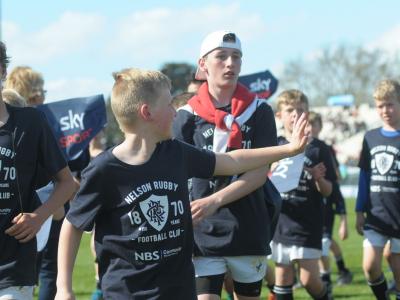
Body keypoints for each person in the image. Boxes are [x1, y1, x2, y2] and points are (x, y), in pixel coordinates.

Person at [55, 68, 308, 300]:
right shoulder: (104, 169)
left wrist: (288, 149)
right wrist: (64, 288)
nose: (176, 111)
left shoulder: (176, 153)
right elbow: (73, 224)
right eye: (168, 104)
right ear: (147, 113)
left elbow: (231, 161)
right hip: (126, 292)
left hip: (178, 289)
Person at [172, 30, 278, 300]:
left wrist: (215, 200)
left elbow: (258, 174)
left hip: (249, 227)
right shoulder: (186, 116)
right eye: (221, 56)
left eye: (236, 57)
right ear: (203, 64)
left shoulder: (260, 110)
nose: (230, 63)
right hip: (201, 231)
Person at [0, 42, 75, 300]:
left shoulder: (30, 122)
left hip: (13, 264)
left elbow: (67, 183)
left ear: (2, 71)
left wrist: (39, 216)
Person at [271, 90, 336, 300]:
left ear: (307, 113)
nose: (295, 114)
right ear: (279, 115)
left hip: (308, 224)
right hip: (281, 223)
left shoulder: (319, 149)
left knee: (309, 281)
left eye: (300, 110)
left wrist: (318, 178)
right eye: (290, 110)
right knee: (282, 277)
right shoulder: (274, 144)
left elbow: (328, 190)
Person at [356, 79, 400, 300]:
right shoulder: (370, 137)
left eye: (390, 104)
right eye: (380, 105)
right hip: (376, 215)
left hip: (399, 217)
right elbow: (364, 177)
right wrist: (358, 210)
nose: (385, 110)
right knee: (370, 267)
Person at [307, 112, 351, 295]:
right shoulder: (296, 147)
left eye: (313, 124)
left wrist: (343, 220)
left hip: (325, 208)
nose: (310, 128)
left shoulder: (324, 149)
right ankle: (340, 271)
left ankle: (327, 281)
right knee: (322, 245)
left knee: (323, 246)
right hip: (306, 209)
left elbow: (335, 180)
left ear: (320, 126)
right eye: (307, 124)